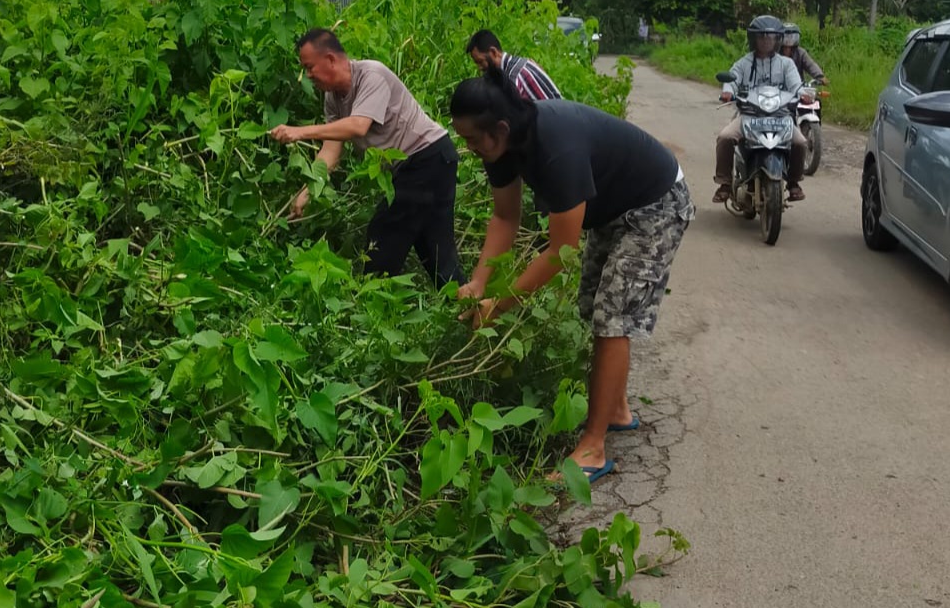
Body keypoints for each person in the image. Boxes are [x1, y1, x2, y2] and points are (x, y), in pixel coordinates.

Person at [450, 69, 693, 484]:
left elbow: (560, 254)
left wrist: (500, 304)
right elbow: (505, 217)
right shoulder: (500, 147)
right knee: (592, 305)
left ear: (501, 128)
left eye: (472, 139)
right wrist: (478, 284)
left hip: (656, 204)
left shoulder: (554, 145)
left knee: (611, 316)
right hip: (612, 209)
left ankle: (593, 448)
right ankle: (615, 410)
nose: (469, 147)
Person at [271, 28, 466, 286]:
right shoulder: (332, 98)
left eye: (310, 67)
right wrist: (308, 190)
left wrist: (299, 132)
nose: (307, 75)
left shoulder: (372, 75)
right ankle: (468, 307)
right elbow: (331, 149)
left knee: (382, 238)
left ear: (330, 59)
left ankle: (373, 303)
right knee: (436, 252)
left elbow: (358, 126)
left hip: (427, 158)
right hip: (423, 165)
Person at [714, 14, 808, 203]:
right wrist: (727, 91)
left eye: (770, 37)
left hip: (780, 117)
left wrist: (804, 93)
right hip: (749, 115)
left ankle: (793, 183)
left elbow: (796, 85)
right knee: (724, 137)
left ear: (777, 40)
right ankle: (725, 182)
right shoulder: (744, 63)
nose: (766, 41)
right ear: (754, 39)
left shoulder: (786, 64)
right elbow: (732, 80)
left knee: (801, 143)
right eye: (762, 37)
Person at [466, 29, 561, 102]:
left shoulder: (513, 77)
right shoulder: (520, 63)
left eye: (481, 61)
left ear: (493, 52)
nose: (479, 67)